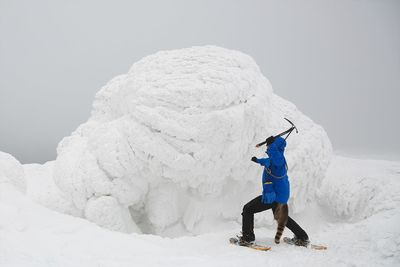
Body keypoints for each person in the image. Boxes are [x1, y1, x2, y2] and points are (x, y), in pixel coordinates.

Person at [237, 136, 310, 247]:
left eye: (269, 145)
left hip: (273, 196)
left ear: (275, 146)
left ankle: (247, 238)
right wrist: (257, 160)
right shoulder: (275, 159)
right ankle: (302, 237)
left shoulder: (279, 160)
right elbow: (267, 161)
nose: (267, 147)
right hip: (279, 195)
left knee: (248, 209)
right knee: (281, 218)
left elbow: (275, 158)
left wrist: (271, 145)